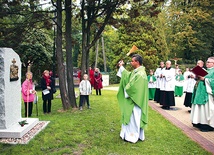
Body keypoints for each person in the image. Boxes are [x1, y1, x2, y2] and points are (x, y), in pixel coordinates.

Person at [117, 54, 148, 143]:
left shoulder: (141, 74)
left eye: (132, 61)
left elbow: (135, 88)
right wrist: (121, 67)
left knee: (134, 118)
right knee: (131, 117)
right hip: (132, 99)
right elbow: (127, 76)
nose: (131, 62)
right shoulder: (136, 72)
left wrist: (126, 89)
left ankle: (132, 136)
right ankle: (127, 134)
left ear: (137, 62)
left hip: (136, 101)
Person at [191, 57, 214, 132]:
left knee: (206, 109)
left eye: (209, 62)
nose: (207, 63)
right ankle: (199, 122)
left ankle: (206, 125)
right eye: (207, 62)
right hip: (200, 91)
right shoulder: (206, 70)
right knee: (200, 108)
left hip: (207, 93)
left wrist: (204, 79)